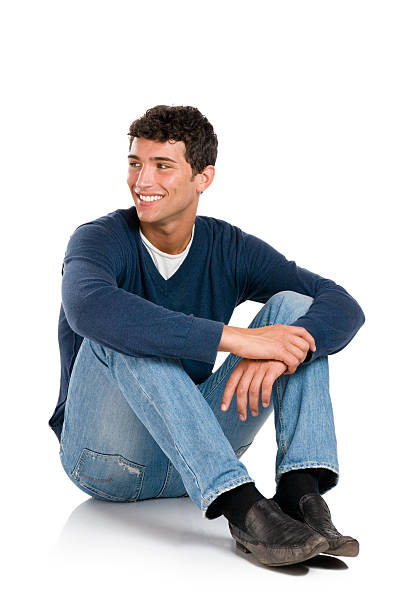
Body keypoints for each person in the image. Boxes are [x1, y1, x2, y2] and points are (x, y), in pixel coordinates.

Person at [49, 104, 365, 567]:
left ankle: (301, 494)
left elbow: (341, 304)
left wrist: (279, 354)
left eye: (162, 165)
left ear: (203, 177)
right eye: (135, 163)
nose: (142, 181)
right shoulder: (100, 238)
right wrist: (238, 339)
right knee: (120, 330)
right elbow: (88, 307)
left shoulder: (228, 247)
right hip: (107, 463)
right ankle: (242, 508)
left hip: (197, 452)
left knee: (296, 312)